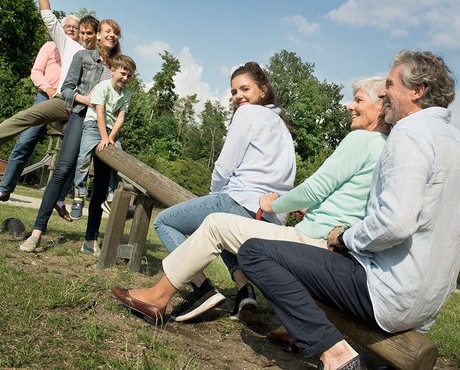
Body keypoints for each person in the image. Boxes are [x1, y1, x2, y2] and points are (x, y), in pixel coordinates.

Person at [237, 50, 460, 370]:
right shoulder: (453, 140)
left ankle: (335, 354)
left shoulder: (409, 133)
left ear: (416, 91)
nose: (384, 93)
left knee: (255, 253)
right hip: (428, 305)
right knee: (312, 258)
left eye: (390, 85)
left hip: (390, 294)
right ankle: (302, 334)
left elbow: (396, 223)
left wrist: (345, 237)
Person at [111, 76, 390, 326]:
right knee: (230, 233)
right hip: (333, 247)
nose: (349, 106)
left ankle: (161, 297)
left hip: (308, 239)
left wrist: (275, 205)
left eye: (358, 100)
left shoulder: (361, 140)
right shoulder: (385, 149)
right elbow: (351, 201)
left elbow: (316, 188)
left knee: (214, 224)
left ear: (380, 105)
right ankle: (272, 315)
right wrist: (307, 210)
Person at [151, 61, 296, 322]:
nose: (238, 96)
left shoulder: (247, 114)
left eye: (244, 89)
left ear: (263, 90)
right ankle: (244, 291)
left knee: (164, 222)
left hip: (240, 197)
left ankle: (202, 288)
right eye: (233, 92)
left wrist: (212, 195)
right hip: (269, 214)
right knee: (226, 233)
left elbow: (224, 165)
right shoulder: (282, 125)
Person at [20, 19, 122, 255]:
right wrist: (85, 99)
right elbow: (66, 89)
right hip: (80, 115)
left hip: (103, 125)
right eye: (108, 31)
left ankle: (90, 240)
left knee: (102, 179)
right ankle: (37, 232)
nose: (112, 35)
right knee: (63, 168)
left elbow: (121, 99)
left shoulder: (118, 65)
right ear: (98, 35)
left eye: (116, 33)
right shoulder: (83, 58)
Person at [0, 0, 99, 147]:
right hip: (62, 102)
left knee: (76, 145)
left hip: (81, 110)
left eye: (88, 33)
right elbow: (48, 16)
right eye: (83, 32)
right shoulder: (69, 46)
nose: (85, 36)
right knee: (25, 119)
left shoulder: (99, 57)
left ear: (96, 35)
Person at [0, 18, 80, 220]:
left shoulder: (79, 53)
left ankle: (59, 199)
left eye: (75, 28)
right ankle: (5, 187)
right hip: (45, 97)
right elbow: (36, 71)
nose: (71, 30)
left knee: (75, 146)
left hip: (65, 105)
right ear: (61, 30)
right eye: (68, 27)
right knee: (26, 141)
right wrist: (49, 89)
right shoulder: (51, 46)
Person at [70, 55, 136, 220]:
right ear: (112, 71)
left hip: (111, 131)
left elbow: (121, 118)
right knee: (84, 158)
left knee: (119, 164)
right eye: (123, 73)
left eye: (129, 76)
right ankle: (79, 195)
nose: (125, 78)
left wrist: (111, 137)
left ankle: (112, 197)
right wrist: (103, 137)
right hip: (93, 126)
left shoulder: (126, 94)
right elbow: (99, 112)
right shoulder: (102, 87)